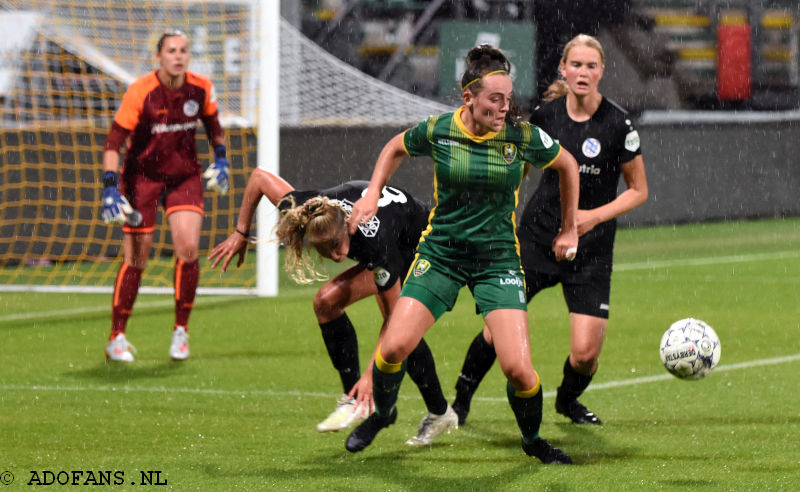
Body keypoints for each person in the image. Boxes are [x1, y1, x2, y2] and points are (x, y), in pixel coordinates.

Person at [344, 44, 580, 464]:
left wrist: (569, 225)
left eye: (508, 99)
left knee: (519, 370)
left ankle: (533, 441)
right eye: (495, 99)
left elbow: (568, 166)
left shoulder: (521, 136)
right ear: (469, 97)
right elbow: (394, 147)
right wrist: (372, 194)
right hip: (442, 254)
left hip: (498, 261)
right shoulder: (439, 129)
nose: (505, 107)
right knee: (393, 348)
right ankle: (384, 413)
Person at [452, 34, 648, 427]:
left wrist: (590, 218)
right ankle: (459, 403)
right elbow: (519, 169)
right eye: (575, 65)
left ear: (602, 72)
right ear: (563, 68)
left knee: (585, 353)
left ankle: (567, 401)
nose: (583, 73)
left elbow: (639, 191)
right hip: (538, 239)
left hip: (590, 250)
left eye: (591, 66)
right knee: (497, 332)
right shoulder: (546, 117)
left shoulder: (617, 123)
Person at [208, 169, 458, 445]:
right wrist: (241, 232)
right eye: (324, 249)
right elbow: (257, 178)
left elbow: (393, 319)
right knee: (325, 303)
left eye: (337, 245)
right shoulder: (309, 210)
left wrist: (370, 376)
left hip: (421, 244)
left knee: (401, 331)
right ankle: (356, 399)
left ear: (346, 227)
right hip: (389, 241)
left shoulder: (374, 241)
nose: (335, 255)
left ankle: (429, 412)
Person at [100, 29, 230, 362]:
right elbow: (113, 143)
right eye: (171, 50)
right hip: (141, 179)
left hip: (184, 176)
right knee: (137, 259)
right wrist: (110, 186)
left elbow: (214, 126)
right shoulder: (140, 92)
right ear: (158, 56)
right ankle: (116, 337)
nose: (178, 55)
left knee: (188, 248)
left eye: (184, 50)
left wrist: (221, 158)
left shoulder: (200, 87)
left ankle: (181, 332)